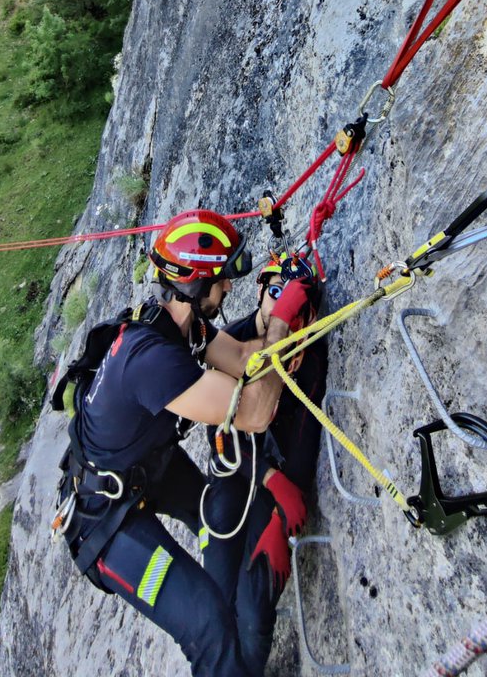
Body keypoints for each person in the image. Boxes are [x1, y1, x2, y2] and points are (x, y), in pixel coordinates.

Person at [53, 209, 315, 677]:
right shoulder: (152, 359)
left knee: (221, 516)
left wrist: (274, 317)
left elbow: (240, 358)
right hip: (105, 525)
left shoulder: (176, 326)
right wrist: (279, 328)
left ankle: (237, 628)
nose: (230, 288)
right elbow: (255, 412)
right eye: (222, 280)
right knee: (208, 624)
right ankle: (223, 646)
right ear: (195, 286)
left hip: (144, 468)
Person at [200, 253, 328, 673]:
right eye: (276, 293)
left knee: (252, 611)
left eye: (297, 307)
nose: (286, 313)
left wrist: (290, 487)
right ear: (259, 291)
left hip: (270, 479)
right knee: (213, 601)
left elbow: (305, 429)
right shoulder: (229, 343)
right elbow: (218, 434)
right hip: (236, 473)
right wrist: (271, 478)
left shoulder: (307, 353)